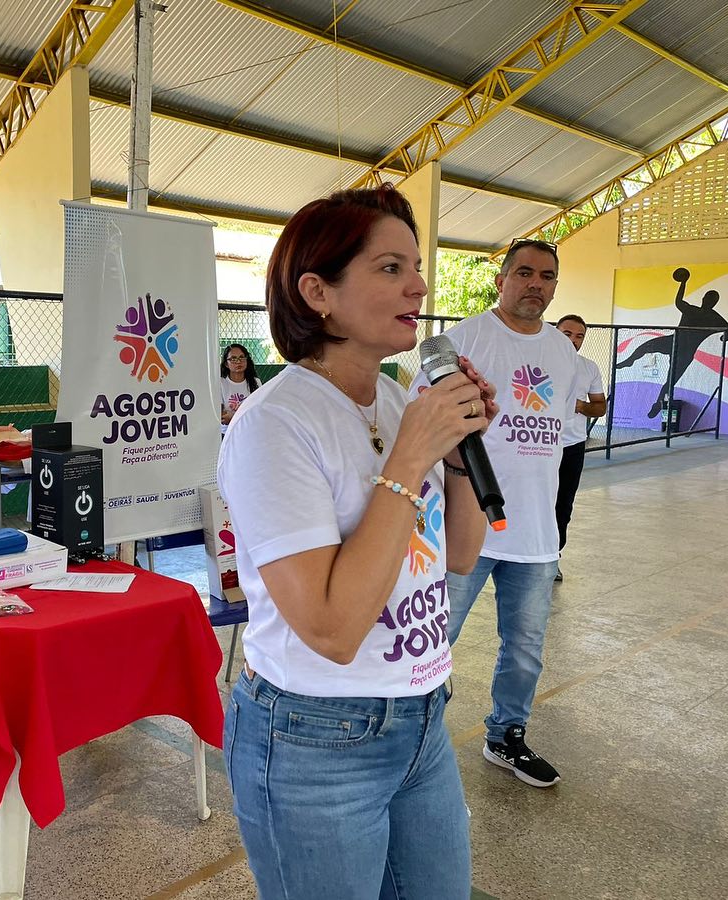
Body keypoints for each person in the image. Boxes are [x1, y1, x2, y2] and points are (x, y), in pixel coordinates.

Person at [219, 185, 497, 898]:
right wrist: (408, 458)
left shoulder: (402, 400)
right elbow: (333, 629)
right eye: (389, 267)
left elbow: (460, 553)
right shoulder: (273, 425)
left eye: (417, 266)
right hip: (316, 736)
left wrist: (461, 449)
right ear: (318, 292)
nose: (419, 284)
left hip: (423, 717)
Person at [411, 239, 580, 789]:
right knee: (435, 640)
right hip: (469, 529)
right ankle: (413, 737)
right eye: (525, 273)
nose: (537, 283)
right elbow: (420, 417)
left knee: (526, 650)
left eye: (547, 276)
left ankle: (506, 736)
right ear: (502, 280)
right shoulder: (465, 339)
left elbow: (561, 434)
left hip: (535, 534)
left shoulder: (562, 350)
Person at [616, 267, 728, 419]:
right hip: (674, 342)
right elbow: (679, 302)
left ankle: (659, 403)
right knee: (646, 346)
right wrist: (683, 283)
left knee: (670, 381)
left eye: (710, 299)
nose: (706, 301)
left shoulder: (712, 317)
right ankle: (630, 361)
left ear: (712, 302)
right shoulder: (698, 312)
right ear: (704, 299)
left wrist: (725, 337)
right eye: (707, 298)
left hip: (684, 352)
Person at [553, 314, 607, 581]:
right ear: (554, 332)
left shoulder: (589, 368)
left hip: (572, 447)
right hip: (538, 445)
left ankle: (553, 558)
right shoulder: (541, 361)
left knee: (563, 504)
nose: (573, 341)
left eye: (579, 336)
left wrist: (580, 406)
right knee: (531, 501)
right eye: (567, 334)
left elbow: (600, 406)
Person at [219, 343, 262, 425]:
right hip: (227, 432)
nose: (238, 362)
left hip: (249, 428)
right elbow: (222, 415)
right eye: (233, 359)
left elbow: (257, 410)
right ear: (226, 364)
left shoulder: (256, 382)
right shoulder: (221, 383)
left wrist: (233, 417)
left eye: (242, 357)